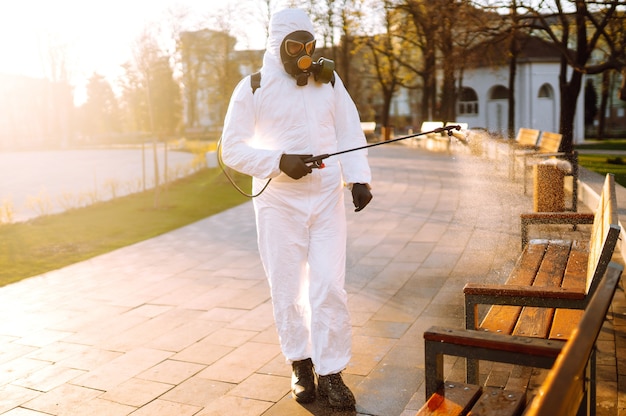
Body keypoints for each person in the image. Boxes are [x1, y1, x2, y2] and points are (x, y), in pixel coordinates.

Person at [220, 8, 372, 410]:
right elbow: (231, 148)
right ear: (277, 47)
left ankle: (332, 371)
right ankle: (301, 364)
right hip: (278, 203)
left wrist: (357, 177)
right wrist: (278, 161)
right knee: (287, 288)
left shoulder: (329, 81)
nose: (303, 53)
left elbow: (349, 128)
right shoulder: (252, 87)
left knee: (329, 286)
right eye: (294, 46)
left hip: (325, 199)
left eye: (309, 45)